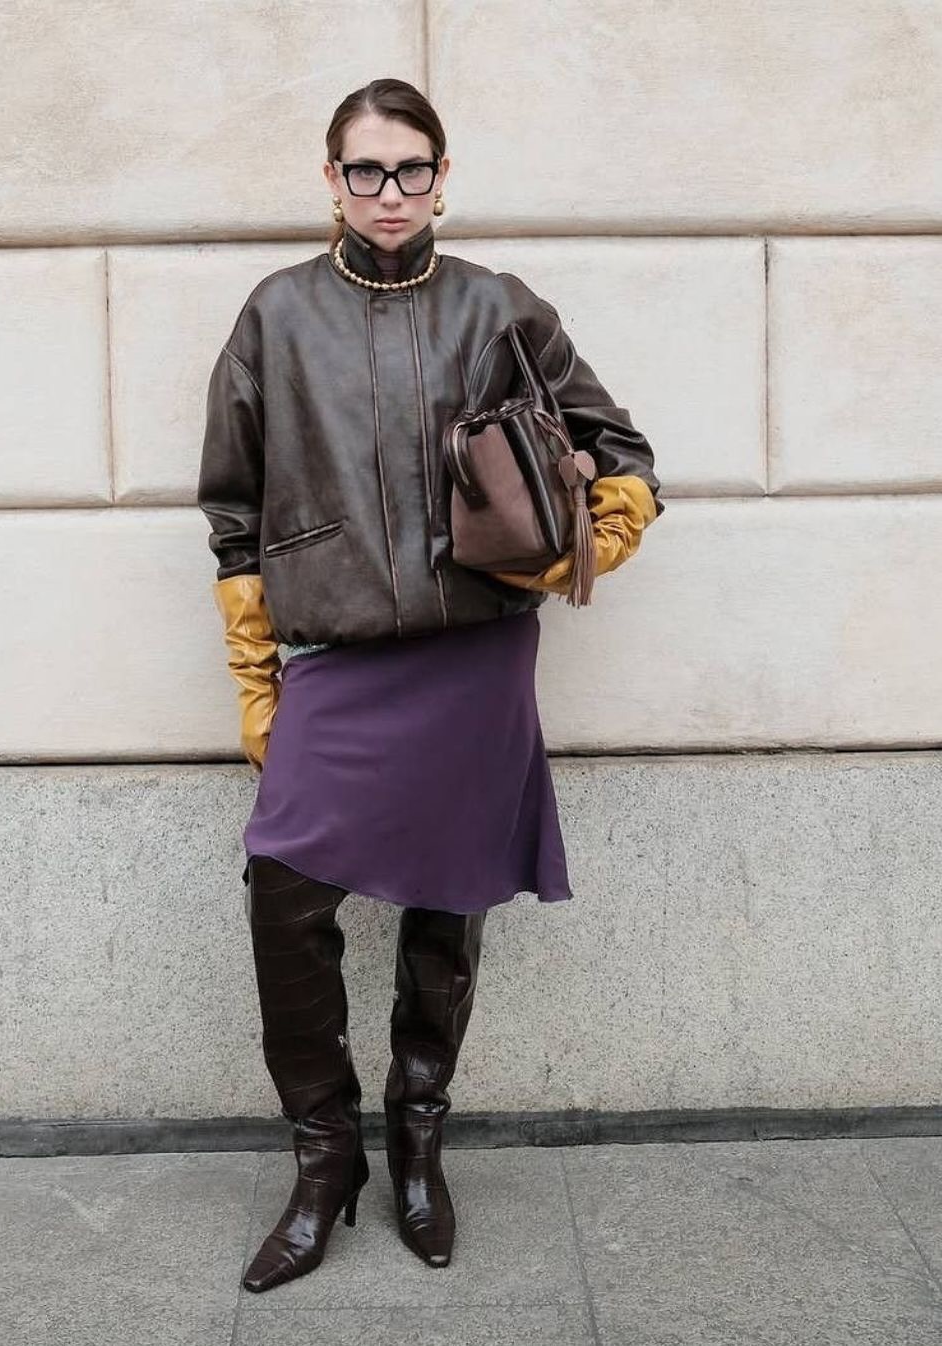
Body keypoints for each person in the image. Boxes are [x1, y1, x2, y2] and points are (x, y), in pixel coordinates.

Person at [197, 78, 662, 1294]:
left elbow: (624, 455)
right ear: (332, 180)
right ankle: (324, 1156)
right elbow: (233, 512)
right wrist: (257, 676)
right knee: (283, 892)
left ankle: (416, 1139)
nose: (389, 192)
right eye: (366, 170)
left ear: (443, 178)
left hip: (475, 655)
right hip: (340, 660)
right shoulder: (276, 314)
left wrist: (577, 550)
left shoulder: (498, 308)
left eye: (411, 169)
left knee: (448, 906)